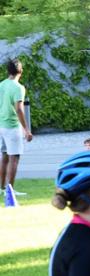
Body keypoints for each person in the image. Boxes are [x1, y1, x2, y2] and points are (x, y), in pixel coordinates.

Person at [0, 58, 32, 205]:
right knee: (14, 158)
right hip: (12, 127)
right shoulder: (18, 88)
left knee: (5, 156)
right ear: (21, 70)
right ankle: (10, 191)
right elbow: (19, 109)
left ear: (8, 71)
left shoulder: (2, 84)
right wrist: (26, 129)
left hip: (1, 125)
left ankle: (2, 188)